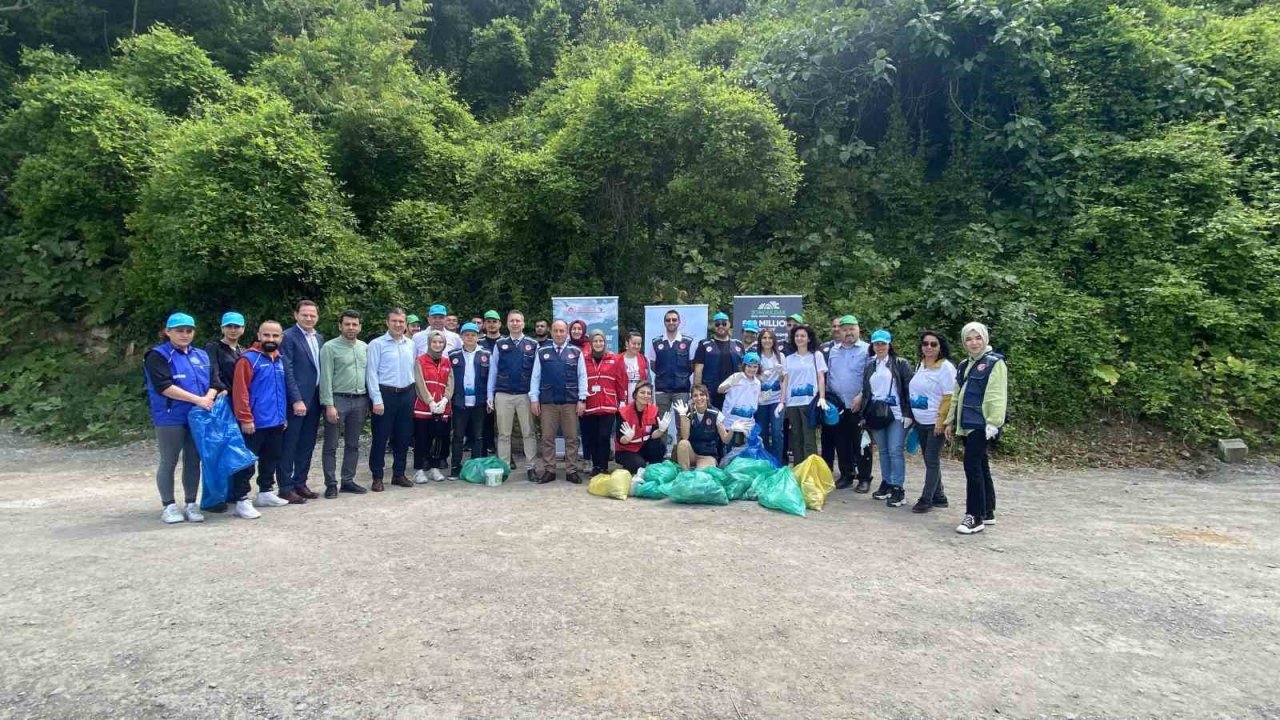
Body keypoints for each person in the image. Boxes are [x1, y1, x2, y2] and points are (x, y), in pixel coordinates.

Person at [144, 312, 222, 524]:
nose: (184, 335)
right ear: (168, 332)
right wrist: (198, 399)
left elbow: (215, 382)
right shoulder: (157, 355)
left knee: (193, 460)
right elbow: (164, 387)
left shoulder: (201, 355)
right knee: (168, 460)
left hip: (198, 416)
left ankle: (191, 503)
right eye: (179, 331)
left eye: (189, 331)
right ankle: (168, 505)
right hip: (170, 417)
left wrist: (208, 397)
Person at [946, 321, 1008, 535]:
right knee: (981, 465)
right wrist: (950, 420)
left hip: (982, 424)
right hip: (966, 423)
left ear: (985, 338)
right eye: (969, 339)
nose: (974, 343)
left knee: (971, 466)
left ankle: (975, 516)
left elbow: (996, 394)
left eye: (978, 338)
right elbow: (957, 394)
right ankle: (987, 510)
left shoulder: (994, 363)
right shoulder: (965, 364)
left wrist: (993, 422)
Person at [231, 320, 295, 516]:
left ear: (281, 338)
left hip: (276, 421)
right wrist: (245, 418)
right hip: (254, 423)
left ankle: (265, 492)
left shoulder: (279, 359)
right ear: (259, 336)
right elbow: (240, 391)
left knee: (271, 458)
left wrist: (282, 416)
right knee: (247, 462)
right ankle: (241, 500)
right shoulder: (248, 359)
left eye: (275, 336)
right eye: (266, 335)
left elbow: (281, 391)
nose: (271, 339)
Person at [529, 320, 588, 483]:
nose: (559, 334)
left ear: (567, 332)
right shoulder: (542, 351)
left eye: (562, 331)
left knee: (572, 438)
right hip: (548, 402)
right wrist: (534, 399)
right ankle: (549, 470)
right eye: (556, 331)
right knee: (548, 437)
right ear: (551, 332)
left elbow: (582, 376)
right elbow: (535, 376)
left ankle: (571, 470)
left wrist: (582, 399)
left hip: (570, 401)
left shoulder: (576, 352)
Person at [862, 329, 915, 508]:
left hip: (897, 413)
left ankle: (898, 488)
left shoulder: (900, 364)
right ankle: (886, 482)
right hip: (877, 413)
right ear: (872, 345)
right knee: (883, 450)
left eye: (883, 343)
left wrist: (909, 413)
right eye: (877, 343)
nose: (880, 347)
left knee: (895, 450)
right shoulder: (870, 366)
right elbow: (867, 392)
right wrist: (864, 414)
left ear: (889, 344)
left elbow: (909, 389)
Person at [318, 310, 369, 498]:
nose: (351, 327)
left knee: (353, 444)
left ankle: (348, 480)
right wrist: (328, 404)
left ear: (360, 327)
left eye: (354, 324)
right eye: (347, 324)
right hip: (337, 400)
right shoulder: (329, 348)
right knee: (331, 444)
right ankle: (331, 483)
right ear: (340, 326)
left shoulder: (364, 347)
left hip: (360, 400)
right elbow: (325, 378)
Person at [277, 299, 324, 503]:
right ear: (296, 315)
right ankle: (285, 487)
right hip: (297, 400)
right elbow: (287, 370)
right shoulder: (287, 337)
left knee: (307, 443)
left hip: (315, 398)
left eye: (312, 315)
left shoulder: (319, 338)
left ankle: (300, 482)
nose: (308, 318)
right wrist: (296, 399)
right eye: (304, 314)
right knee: (290, 444)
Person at [366, 308, 417, 492]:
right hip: (385, 395)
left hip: (407, 394)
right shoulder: (376, 344)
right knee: (380, 437)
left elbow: (413, 371)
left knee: (403, 437)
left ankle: (399, 474)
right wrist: (376, 400)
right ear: (387, 322)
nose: (398, 324)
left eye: (401, 321)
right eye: (394, 321)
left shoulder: (411, 344)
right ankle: (377, 476)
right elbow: (371, 373)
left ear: (406, 324)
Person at [488, 310, 540, 481]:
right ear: (507, 323)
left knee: (529, 433)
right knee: (503, 434)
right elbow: (493, 371)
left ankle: (531, 468)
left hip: (525, 395)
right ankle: (503, 469)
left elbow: (537, 373)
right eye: (512, 320)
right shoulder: (500, 344)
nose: (515, 323)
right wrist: (490, 394)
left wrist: (535, 396)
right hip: (503, 394)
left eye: (518, 320)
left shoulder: (533, 344)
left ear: (524, 323)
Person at [822, 315, 873, 491]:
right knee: (841, 441)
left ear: (858, 329)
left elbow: (872, 377)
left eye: (852, 329)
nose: (848, 333)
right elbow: (829, 377)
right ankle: (846, 475)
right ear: (839, 332)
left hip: (858, 404)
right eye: (845, 329)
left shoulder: (868, 350)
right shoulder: (833, 351)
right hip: (838, 405)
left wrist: (861, 396)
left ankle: (865, 478)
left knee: (861, 443)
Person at [909, 330, 955, 513]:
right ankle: (939, 496)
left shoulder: (945, 368)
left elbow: (949, 396)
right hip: (920, 421)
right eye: (925, 343)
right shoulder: (921, 365)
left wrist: (942, 421)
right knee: (930, 460)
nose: (928, 347)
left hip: (935, 421)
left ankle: (926, 498)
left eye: (933, 344)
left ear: (940, 347)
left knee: (931, 459)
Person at [778, 323, 827, 464]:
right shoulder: (789, 359)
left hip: (809, 403)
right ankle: (799, 470)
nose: (799, 338)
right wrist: (782, 402)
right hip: (793, 404)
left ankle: (811, 472)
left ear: (809, 338)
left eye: (803, 336)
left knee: (809, 439)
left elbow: (821, 377)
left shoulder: (816, 355)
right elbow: (785, 382)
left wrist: (822, 397)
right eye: (797, 336)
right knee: (796, 439)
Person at [449, 323, 492, 479]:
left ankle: (475, 467)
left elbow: (490, 378)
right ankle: (455, 466)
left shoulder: (486, 354)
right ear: (461, 337)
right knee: (458, 436)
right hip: (459, 402)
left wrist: (489, 398)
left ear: (478, 336)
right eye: (466, 335)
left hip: (479, 401)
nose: (470, 337)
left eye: (473, 335)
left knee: (478, 436)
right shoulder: (453, 355)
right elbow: (449, 379)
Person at [581, 329, 625, 476]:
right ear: (591, 343)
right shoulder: (584, 358)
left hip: (608, 403)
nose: (598, 343)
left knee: (604, 436)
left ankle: (604, 466)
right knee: (593, 436)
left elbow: (620, 380)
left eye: (601, 341)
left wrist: (622, 400)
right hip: (590, 402)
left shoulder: (615, 358)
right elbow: (580, 380)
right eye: (595, 341)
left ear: (605, 342)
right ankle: (596, 466)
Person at [413, 331, 454, 483]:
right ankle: (419, 469)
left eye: (440, 342)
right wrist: (429, 401)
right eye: (434, 342)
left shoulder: (446, 362)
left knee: (439, 439)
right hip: (424, 407)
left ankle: (434, 467)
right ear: (429, 343)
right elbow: (419, 382)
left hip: (442, 408)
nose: (437, 345)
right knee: (422, 438)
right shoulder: (420, 360)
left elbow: (450, 383)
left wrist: (444, 400)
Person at [647, 309, 695, 437]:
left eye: (674, 320)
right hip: (662, 390)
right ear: (664, 322)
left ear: (679, 322)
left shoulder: (688, 342)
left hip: (682, 390)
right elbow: (652, 365)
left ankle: (681, 454)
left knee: (682, 425)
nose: (671, 322)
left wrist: (682, 377)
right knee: (662, 425)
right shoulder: (656, 342)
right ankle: (661, 456)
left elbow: (692, 365)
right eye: (668, 320)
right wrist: (663, 375)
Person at [615, 382, 671, 474]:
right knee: (639, 465)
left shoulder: (653, 410)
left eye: (648, 393)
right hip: (626, 449)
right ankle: (630, 466)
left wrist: (661, 430)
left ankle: (654, 470)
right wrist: (627, 438)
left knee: (659, 446)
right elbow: (620, 439)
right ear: (635, 395)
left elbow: (653, 435)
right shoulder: (623, 412)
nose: (645, 395)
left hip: (643, 447)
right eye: (642, 392)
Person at [694, 312, 745, 409]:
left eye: (724, 323)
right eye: (717, 324)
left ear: (729, 325)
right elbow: (698, 370)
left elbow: (744, 369)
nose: (721, 326)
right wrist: (697, 392)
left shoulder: (738, 344)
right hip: (711, 391)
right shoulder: (704, 344)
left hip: (734, 391)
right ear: (713, 325)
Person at [674, 385, 729, 469]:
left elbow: (725, 439)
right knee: (683, 443)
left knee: (701, 476)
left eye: (702, 394)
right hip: (692, 453)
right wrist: (682, 415)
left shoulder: (716, 414)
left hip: (707, 456)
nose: (699, 398)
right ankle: (684, 475)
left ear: (707, 397)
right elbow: (685, 437)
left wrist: (733, 429)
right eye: (695, 395)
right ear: (692, 398)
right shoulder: (689, 412)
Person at [753, 328, 786, 462]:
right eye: (764, 338)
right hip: (760, 401)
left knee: (777, 432)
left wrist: (782, 402)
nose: (767, 340)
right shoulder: (756, 356)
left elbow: (784, 380)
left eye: (770, 338)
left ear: (774, 340)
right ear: (760, 340)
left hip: (776, 400)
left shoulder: (780, 356)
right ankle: (766, 461)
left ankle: (777, 461)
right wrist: (760, 376)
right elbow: (749, 377)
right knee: (763, 433)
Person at [718, 353, 762, 448]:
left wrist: (762, 399)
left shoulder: (757, 383)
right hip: (731, 423)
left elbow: (755, 402)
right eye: (749, 366)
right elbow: (720, 390)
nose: (752, 369)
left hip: (748, 424)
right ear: (744, 366)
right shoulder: (736, 376)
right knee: (730, 451)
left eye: (755, 366)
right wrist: (730, 384)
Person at [478, 309, 503, 457]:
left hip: (501, 387)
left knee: (503, 425)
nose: (492, 325)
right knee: (484, 422)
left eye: (494, 322)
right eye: (489, 322)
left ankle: (506, 455)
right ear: (484, 324)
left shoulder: (506, 342)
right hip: (482, 387)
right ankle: (484, 452)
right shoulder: (478, 342)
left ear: (500, 323)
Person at [205, 311, 245, 396]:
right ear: (222, 328)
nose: (233, 330)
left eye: (237, 327)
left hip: (240, 397)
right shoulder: (213, 347)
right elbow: (212, 372)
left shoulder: (244, 351)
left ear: (243, 329)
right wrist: (221, 388)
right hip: (221, 395)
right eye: (229, 326)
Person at [618, 330, 650, 401]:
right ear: (627, 343)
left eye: (639, 344)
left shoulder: (644, 359)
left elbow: (648, 382)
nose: (636, 346)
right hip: (622, 401)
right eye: (634, 343)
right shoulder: (617, 359)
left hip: (640, 401)